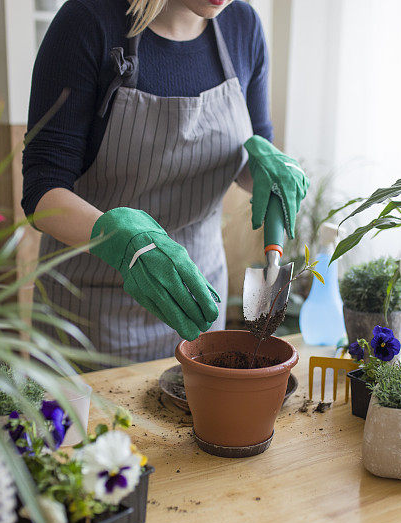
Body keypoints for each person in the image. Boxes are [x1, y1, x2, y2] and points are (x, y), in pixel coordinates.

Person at [22, 0, 308, 362]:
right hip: (91, 319)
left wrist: (269, 166)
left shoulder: (242, 24)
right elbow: (41, 192)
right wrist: (122, 242)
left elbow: (249, 150)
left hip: (199, 306)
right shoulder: (86, 22)